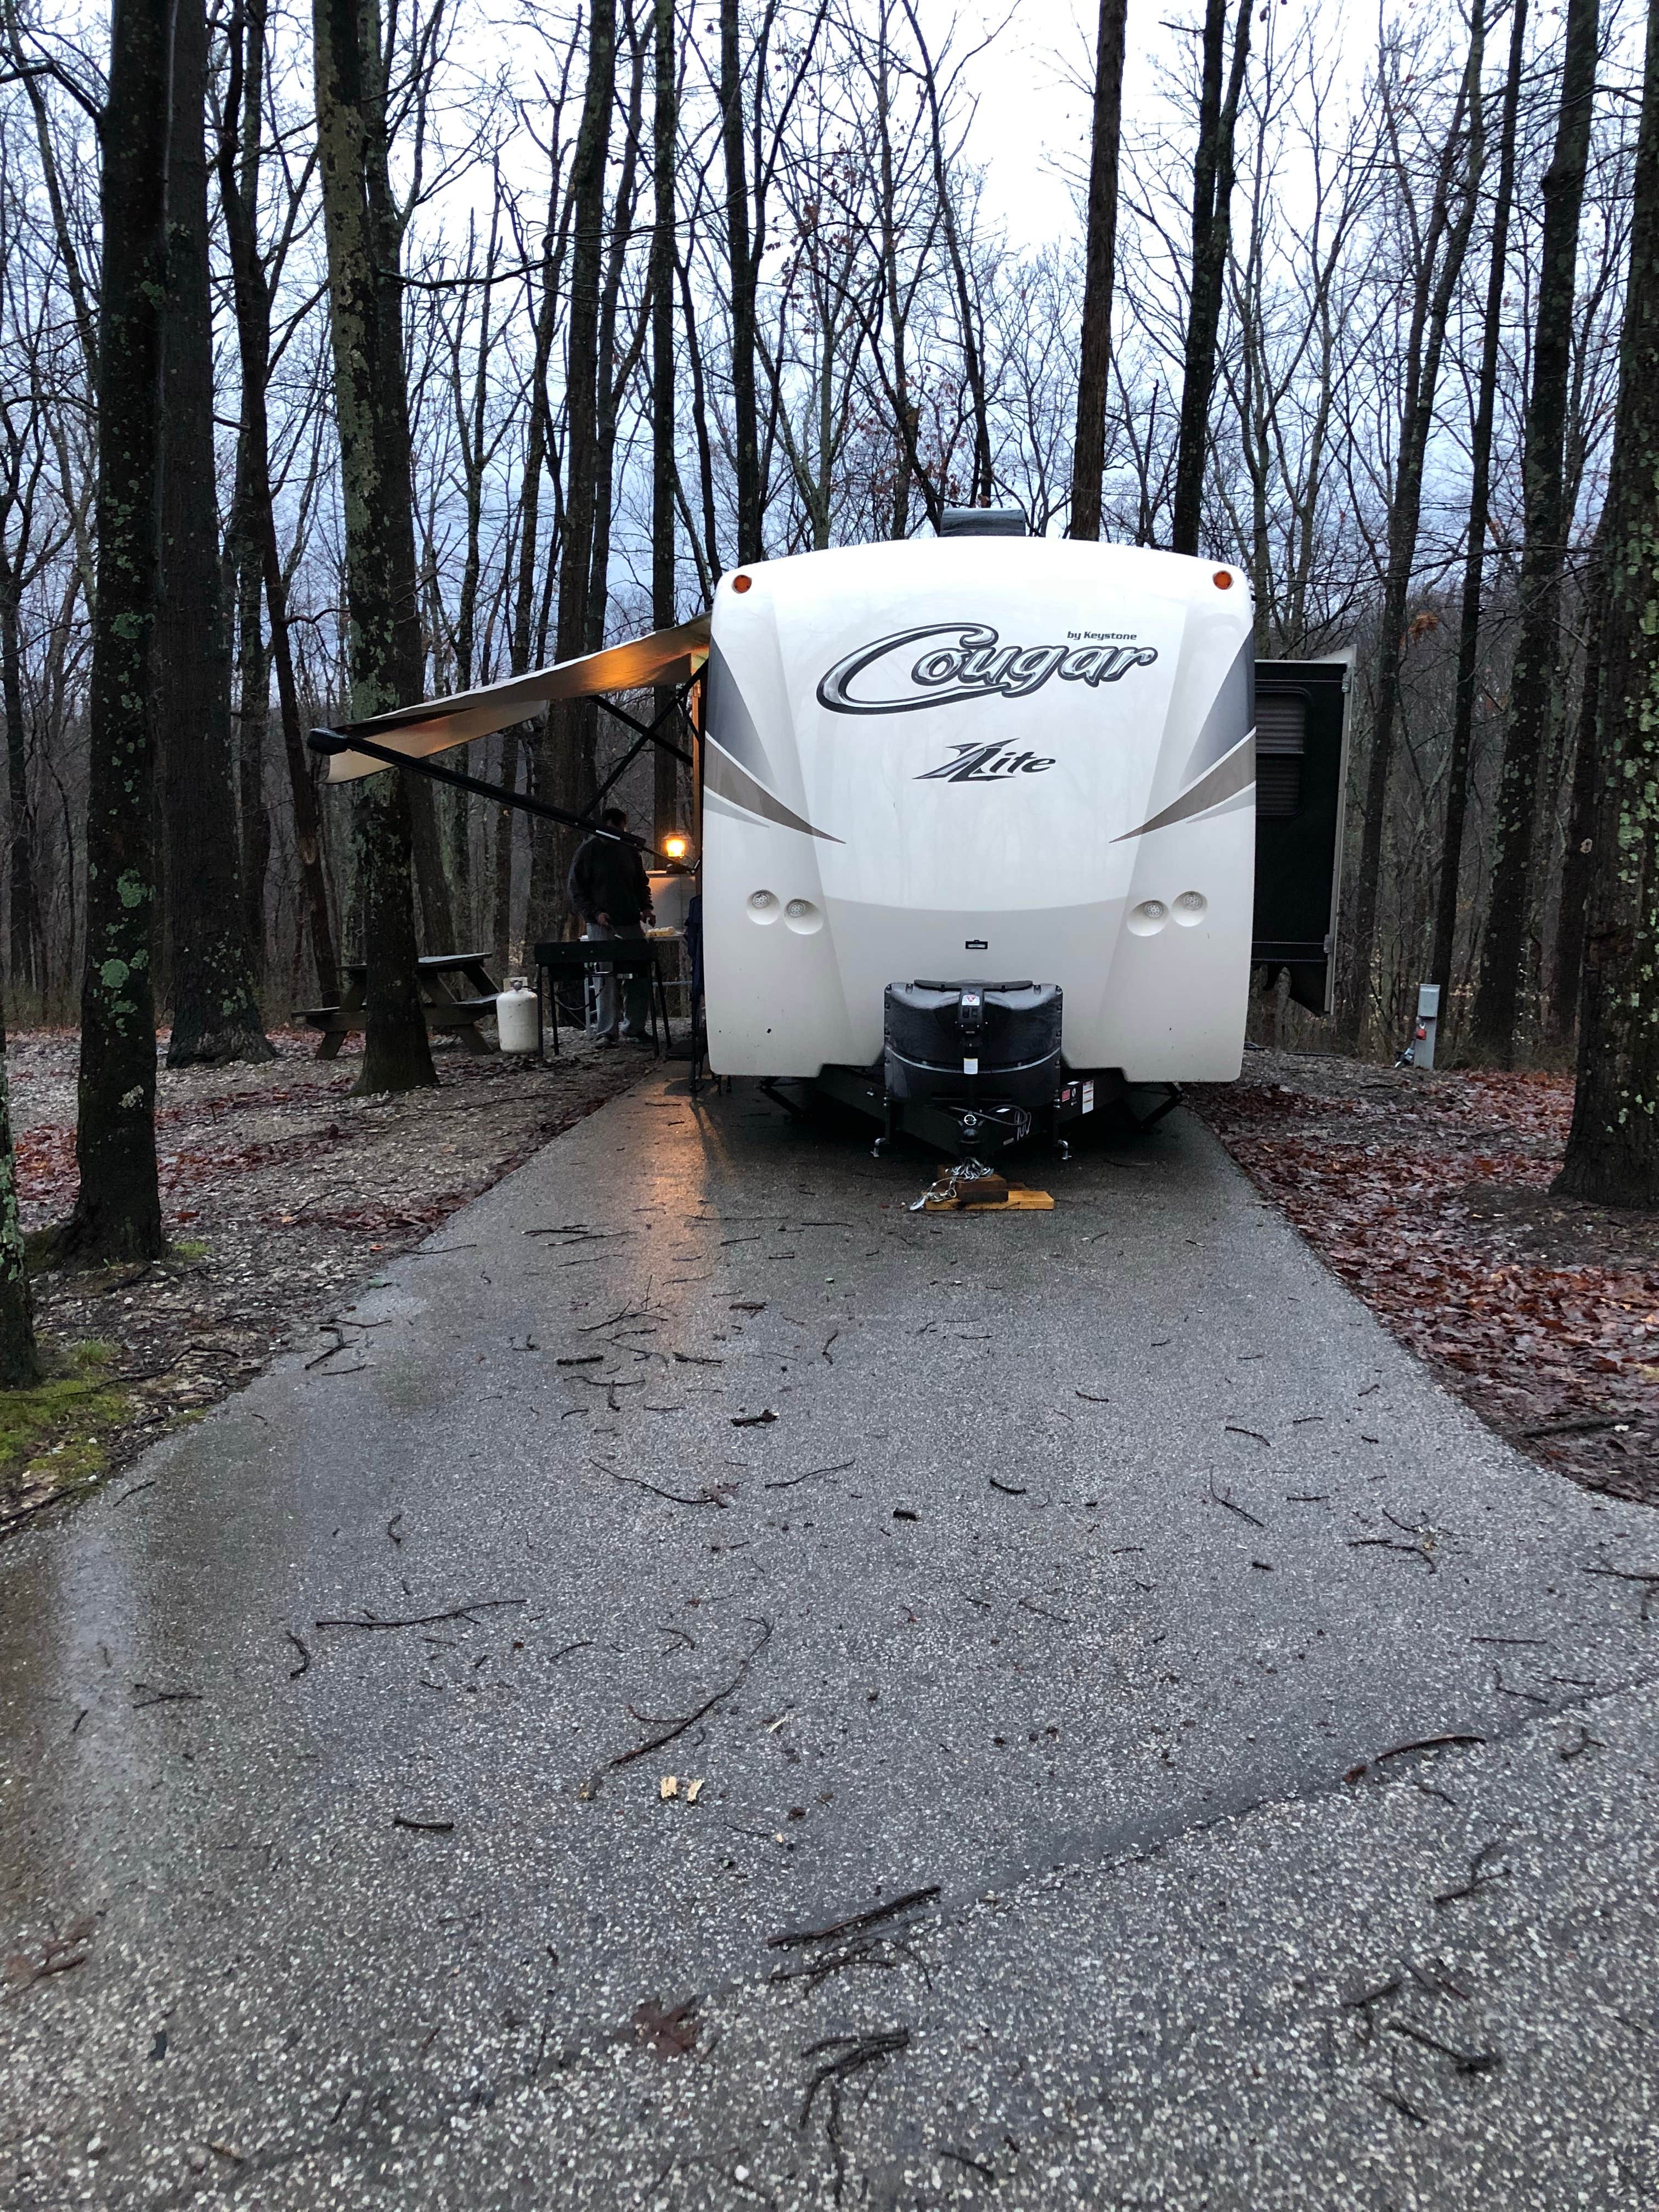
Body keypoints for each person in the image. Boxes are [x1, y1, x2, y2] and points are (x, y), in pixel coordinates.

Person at [566, 807, 656, 1046]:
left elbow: (641, 883)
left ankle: (635, 1026)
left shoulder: (629, 850)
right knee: (605, 978)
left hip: (630, 921)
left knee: (639, 974)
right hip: (602, 925)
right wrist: (595, 914)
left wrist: (646, 907)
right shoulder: (588, 852)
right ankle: (607, 1031)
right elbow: (576, 890)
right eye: (617, 828)